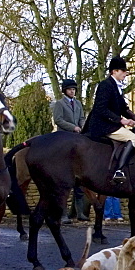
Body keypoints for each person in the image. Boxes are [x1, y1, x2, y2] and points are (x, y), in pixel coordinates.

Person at [85, 56, 135, 184]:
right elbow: (100, 109)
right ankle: (119, 171)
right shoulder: (105, 85)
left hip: (111, 124)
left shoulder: (116, 87)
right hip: (103, 125)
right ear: (114, 71)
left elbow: (124, 109)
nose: (125, 73)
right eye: (123, 71)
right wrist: (121, 121)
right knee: (134, 139)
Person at [52, 78, 89, 222]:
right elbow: (58, 120)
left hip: (77, 136)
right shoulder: (59, 104)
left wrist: (82, 127)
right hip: (64, 136)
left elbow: (81, 117)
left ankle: (80, 212)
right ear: (65, 91)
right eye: (70, 89)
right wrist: (73, 127)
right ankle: (62, 214)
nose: (72, 91)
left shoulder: (78, 103)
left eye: (74, 89)